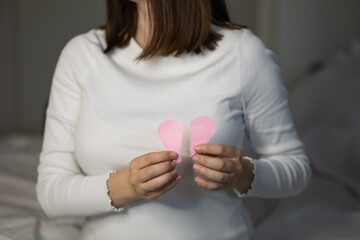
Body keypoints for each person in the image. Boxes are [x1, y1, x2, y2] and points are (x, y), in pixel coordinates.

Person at [36, 0, 312, 239]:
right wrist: (129, 186)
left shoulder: (243, 53)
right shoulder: (81, 56)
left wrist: (243, 174)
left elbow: (296, 169)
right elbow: (51, 193)